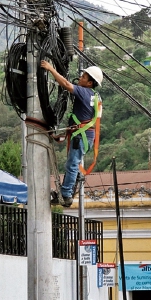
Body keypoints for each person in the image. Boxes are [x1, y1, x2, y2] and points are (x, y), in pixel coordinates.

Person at [41, 61, 102, 207]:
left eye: (84, 77)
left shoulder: (84, 92)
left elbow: (67, 85)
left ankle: (66, 195)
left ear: (89, 83)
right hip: (85, 135)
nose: (80, 78)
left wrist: (51, 69)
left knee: (72, 164)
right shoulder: (95, 96)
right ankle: (70, 185)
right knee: (73, 164)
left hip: (81, 135)